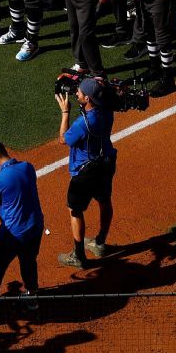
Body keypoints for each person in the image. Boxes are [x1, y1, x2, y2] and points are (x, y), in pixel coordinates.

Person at [0, 142, 44, 309]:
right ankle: (32, 297)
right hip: (35, 226)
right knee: (28, 262)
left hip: (13, 232)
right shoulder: (28, 167)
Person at [56, 77, 117, 268]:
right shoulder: (107, 109)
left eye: (80, 92)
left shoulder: (83, 123)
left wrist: (65, 112)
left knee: (75, 210)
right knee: (104, 200)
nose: (76, 93)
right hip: (106, 164)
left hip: (86, 172)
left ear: (88, 99)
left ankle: (79, 255)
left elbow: (64, 139)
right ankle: (100, 242)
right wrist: (100, 83)